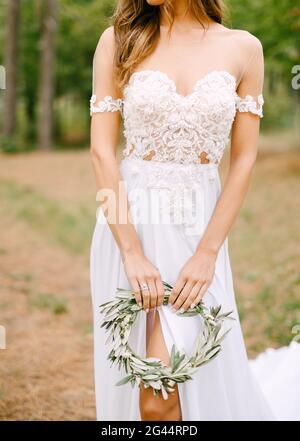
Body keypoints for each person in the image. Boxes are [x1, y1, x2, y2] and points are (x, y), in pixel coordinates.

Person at [89, 0, 300, 421]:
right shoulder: (119, 40)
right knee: (152, 395)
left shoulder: (244, 48)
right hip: (131, 228)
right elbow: (101, 152)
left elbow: (242, 161)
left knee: (176, 386)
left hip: (200, 235)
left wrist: (207, 254)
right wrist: (131, 251)